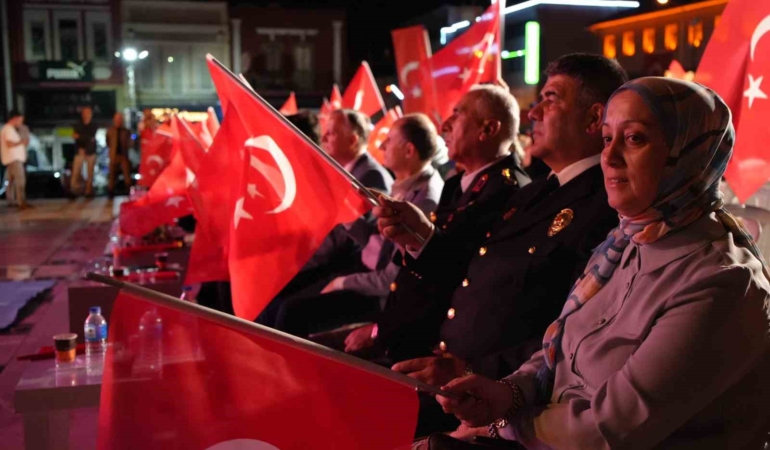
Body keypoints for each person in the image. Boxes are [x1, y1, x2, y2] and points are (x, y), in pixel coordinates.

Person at [436, 77, 770, 449]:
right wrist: (507, 393)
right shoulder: (624, 242)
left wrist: (503, 424)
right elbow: (560, 350)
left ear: (690, 154)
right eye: (608, 138)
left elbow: (610, 429)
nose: (608, 157)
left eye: (635, 138)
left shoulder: (719, 281)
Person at [375, 54, 626, 436]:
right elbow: (473, 271)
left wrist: (472, 371)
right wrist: (420, 238)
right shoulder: (538, 192)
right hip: (450, 380)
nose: (534, 113)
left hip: (497, 400)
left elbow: (572, 333)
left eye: (552, 98)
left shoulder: (605, 207)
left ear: (594, 120)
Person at [344, 85, 531, 360]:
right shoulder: (458, 183)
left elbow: (457, 280)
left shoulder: (509, 191)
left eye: (458, 114)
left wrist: (419, 235)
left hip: (433, 350)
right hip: (399, 331)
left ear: (488, 129)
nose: (445, 125)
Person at [272, 114, 445, 339]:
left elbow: (391, 277)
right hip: (364, 271)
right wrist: (345, 208)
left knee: (291, 311)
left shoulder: (424, 200)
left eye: (389, 140)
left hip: (382, 296)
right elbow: (377, 243)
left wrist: (342, 281)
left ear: (409, 151)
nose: (382, 145)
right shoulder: (406, 185)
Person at [256, 109, 393, 326]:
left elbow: (358, 238)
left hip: (347, 265)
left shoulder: (371, 175)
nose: (324, 138)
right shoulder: (341, 170)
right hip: (328, 257)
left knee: (285, 308)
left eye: (332, 133)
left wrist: (303, 255)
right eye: (325, 132)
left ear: (353, 140)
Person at [1, 110, 30, 209]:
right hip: (14, 159)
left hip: (11, 159)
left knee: (11, 181)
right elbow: (9, 144)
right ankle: (21, 202)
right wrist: (21, 142)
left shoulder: (7, 129)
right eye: (20, 120)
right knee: (20, 180)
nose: (20, 123)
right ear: (15, 119)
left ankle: (11, 200)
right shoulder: (9, 129)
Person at [71, 106, 99, 197]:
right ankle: (73, 190)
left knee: (90, 172)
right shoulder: (77, 125)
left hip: (90, 151)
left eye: (88, 113)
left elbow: (90, 137)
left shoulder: (94, 125)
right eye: (85, 113)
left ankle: (88, 191)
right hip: (79, 151)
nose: (87, 115)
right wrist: (83, 139)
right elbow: (76, 136)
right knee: (76, 171)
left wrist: (80, 136)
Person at [107, 112, 133, 197]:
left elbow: (130, 141)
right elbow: (107, 142)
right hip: (113, 155)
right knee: (112, 175)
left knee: (126, 174)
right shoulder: (110, 131)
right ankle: (111, 191)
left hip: (123, 155)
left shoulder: (126, 131)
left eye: (120, 118)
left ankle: (128, 190)